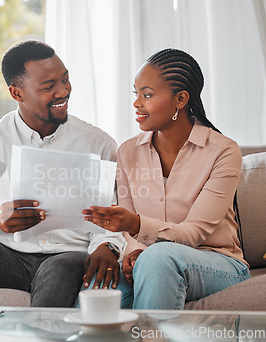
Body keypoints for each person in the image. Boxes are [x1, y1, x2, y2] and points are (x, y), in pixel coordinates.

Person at [0, 40, 125, 308]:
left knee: (60, 267)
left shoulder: (98, 143)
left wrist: (107, 245)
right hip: (6, 257)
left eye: (65, 79)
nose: (63, 91)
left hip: (67, 257)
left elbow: (112, 213)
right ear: (16, 93)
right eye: (49, 86)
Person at [83, 48, 251, 309]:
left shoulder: (223, 152)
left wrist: (138, 226)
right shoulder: (128, 152)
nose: (137, 103)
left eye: (147, 95)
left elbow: (195, 233)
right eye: (136, 93)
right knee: (96, 289)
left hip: (217, 262)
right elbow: (127, 231)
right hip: (151, 259)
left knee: (159, 258)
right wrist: (133, 251)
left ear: (181, 99)